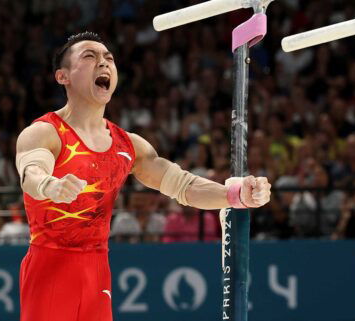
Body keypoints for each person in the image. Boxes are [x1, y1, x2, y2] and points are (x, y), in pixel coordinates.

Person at [15, 32, 272, 321]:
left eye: (109, 58)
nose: (104, 63)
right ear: (62, 76)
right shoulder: (45, 132)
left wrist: (237, 195)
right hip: (50, 265)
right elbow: (31, 172)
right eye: (90, 56)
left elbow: (183, 186)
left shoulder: (129, 145)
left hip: (97, 268)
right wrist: (51, 185)